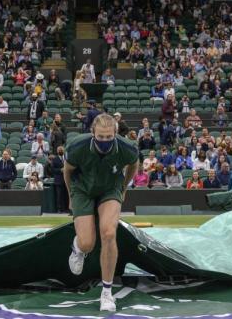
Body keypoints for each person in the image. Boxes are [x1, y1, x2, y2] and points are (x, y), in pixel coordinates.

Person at [65, 114, 139, 313]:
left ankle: (106, 293)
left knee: (108, 233)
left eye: (108, 137)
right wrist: (70, 195)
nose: (104, 140)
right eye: (101, 136)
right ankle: (77, 247)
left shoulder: (127, 148)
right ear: (92, 133)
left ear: (115, 134)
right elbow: (67, 170)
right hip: (82, 189)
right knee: (88, 242)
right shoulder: (76, 146)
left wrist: (124, 188)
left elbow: (134, 165)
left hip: (110, 188)